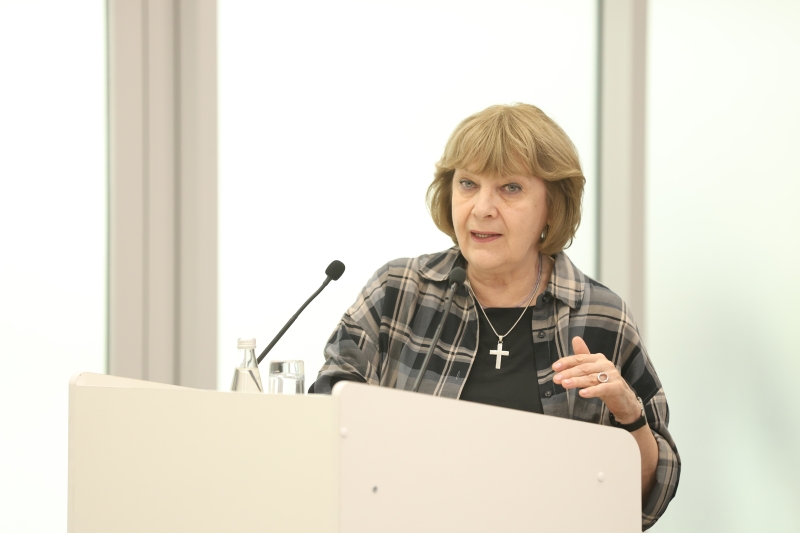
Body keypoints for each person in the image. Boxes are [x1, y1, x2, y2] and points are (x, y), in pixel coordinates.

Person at [313, 103, 680, 529]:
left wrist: (629, 414)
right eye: (468, 184)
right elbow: (326, 426)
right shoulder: (398, 291)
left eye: (510, 188)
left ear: (552, 206)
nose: (482, 208)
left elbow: (646, 499)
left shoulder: (600, 315)